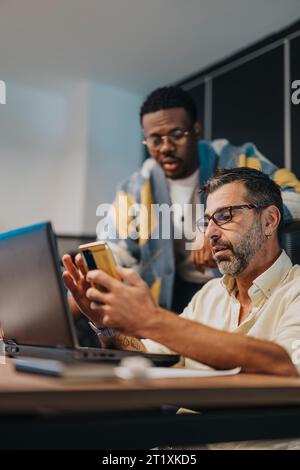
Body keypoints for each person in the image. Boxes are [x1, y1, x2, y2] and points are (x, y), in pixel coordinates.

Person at [63, 167, 300, 449]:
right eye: (207, 221)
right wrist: (106, 325)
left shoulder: (295, 291)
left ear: (270, 220)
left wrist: (151, 319)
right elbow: (149, 358)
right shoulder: (210, 294)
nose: (211, 232)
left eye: (225, 216)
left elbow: (284, 367)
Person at [92, 86, 300, 313]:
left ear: (196, 130)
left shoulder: (235, 159)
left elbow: (295, 196)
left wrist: (209, 228)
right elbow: (113, 250)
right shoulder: (136, 188)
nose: (166, 148)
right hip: (168, 300)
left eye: (177, 134)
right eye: (155, 140)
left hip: (237, 290)